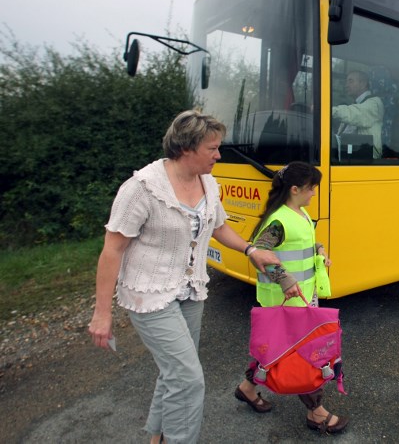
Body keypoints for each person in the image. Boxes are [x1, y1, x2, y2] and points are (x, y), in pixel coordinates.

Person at [88, 110, 280, 444]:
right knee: (188, 378)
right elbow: (112, 251)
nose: (219, 155)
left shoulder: (209, 183)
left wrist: (251, 250)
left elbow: (219, 228)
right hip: (149, 294)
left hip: (190, 290)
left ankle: (158, 436)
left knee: (174, 370)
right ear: (186, 148)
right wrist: (102, 313)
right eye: (212, 149)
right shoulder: (141, 189)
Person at [235, 161, 349, 435]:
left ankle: (248, 388)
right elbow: (260, 252)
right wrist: (285, 280)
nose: (314, 194)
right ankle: (316, 411)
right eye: (311, 189)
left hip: (301, 298)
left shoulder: (297, 214)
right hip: (286, 299)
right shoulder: (279, 219)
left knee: (275, 349)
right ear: (295, 189)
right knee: (306, 356)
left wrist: (318, 248)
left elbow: (301, 242)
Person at [332, 70, 384, 158]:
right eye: (346, 81)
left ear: (363, 84)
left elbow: (353, 114)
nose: (346, 85)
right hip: (352, 156)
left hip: (366, 162)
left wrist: (325, 110)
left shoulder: (374, 103)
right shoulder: (358, 104)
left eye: (350, 81)